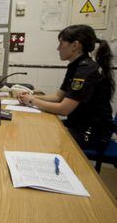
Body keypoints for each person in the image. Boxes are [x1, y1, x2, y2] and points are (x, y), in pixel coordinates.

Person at [18, 24, 115, 154]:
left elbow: (64, 109)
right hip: (77, 124)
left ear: (75, 45)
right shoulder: (75, 66)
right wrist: (31, 96)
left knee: (41, 138)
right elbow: (58, 96)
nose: (58, 48)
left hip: (93, 132)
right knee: (38, 128)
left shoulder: (86, 70)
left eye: (61, 43)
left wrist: (32, 101)